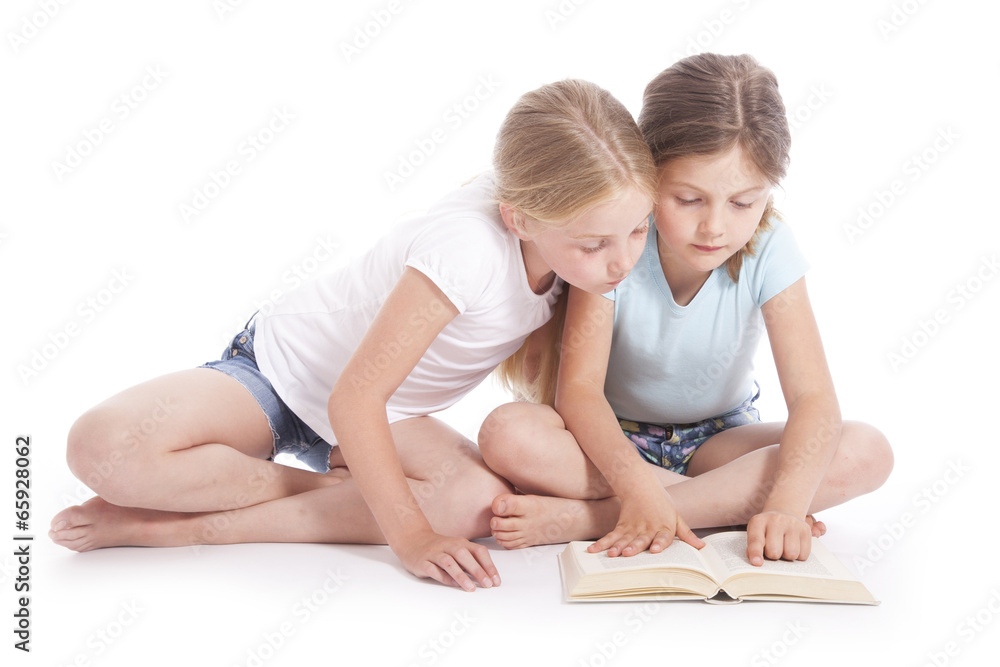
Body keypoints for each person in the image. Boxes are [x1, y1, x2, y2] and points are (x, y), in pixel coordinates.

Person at [48, 79, 659, 592]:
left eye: (639, 230)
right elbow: (353, 397)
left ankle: (176, 527)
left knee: (475, 502)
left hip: (391, 418)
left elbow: (575, 390)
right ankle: (332, 492)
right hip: (283, 377)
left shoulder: (589, 252)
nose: (624, 260)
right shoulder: (467, 252)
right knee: (102, 447)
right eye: (595, 244)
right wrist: (409, 534)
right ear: (518, 217)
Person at [479, 54, 894, 567]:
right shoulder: (621, 242)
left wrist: (786, 506)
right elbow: (580, 394)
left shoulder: (771, 247)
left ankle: (595, 519)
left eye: (743, 203)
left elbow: (813, 399)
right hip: (611, 443)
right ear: (647, 176)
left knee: (866, 451)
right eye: (688, 199)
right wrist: (637, 485)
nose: (715, 228)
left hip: (721, 442)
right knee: (508, 434)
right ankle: (713, 504)